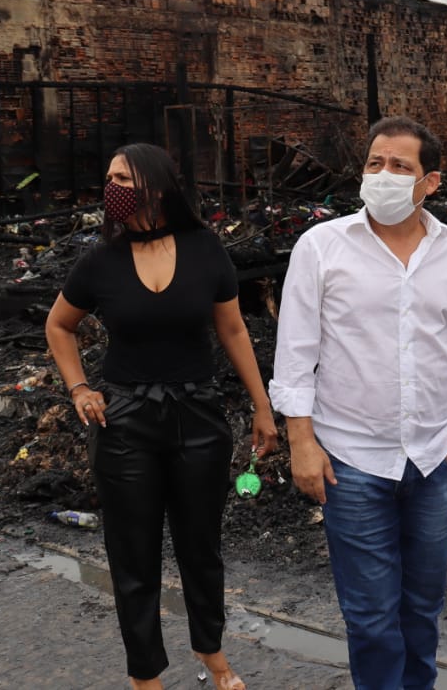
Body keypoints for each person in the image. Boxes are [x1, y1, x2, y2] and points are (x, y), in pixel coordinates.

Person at [270, 116, 447, 690]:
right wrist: (301, 441)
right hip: (351, 461)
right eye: (376, 163)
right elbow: (295, 349)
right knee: (372, 618)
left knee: (422, 611)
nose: (384, 174)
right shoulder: (322, 248)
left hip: (433, 459)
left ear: (431, 183)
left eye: (401, 166)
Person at [45, 142, 277, 690]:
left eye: (122, 177)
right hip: (124, 421)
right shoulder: (100, 261)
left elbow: (234, 330)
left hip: (199, 416)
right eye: (108, 179)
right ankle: (145, 676)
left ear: (155, 183)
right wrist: (79, 387)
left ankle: (211, 652)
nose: (112, 189)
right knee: (134, 558)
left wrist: (263, 407)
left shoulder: (205, 249)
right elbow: (59, 326)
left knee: (202, 550)